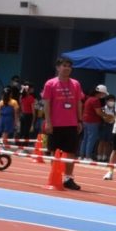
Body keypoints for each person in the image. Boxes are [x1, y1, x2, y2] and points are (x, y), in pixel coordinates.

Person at [42, 57, 85, 190]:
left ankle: (68, 178)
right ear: (58, 67)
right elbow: (47, 104)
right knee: (55, 152)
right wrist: (48, 122)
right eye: (64, 65)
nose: (67, 68)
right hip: (55, 124)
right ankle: (55, 176)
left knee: (71, 152)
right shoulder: (50, 84)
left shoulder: (76, 84)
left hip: (71, 123)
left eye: (69, 66)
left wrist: (79, 120)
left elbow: (78, 102)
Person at [81, 84, 108, 163]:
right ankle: (88, 156)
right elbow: (98, 112)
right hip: (92, 122)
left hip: (86, 121)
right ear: (101, 93)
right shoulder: (96, 100)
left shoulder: (89, 99)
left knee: (85, 139)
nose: (103, 95)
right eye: (103, 94)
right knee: (91, 139)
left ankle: (82, 156)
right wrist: (107, 116)